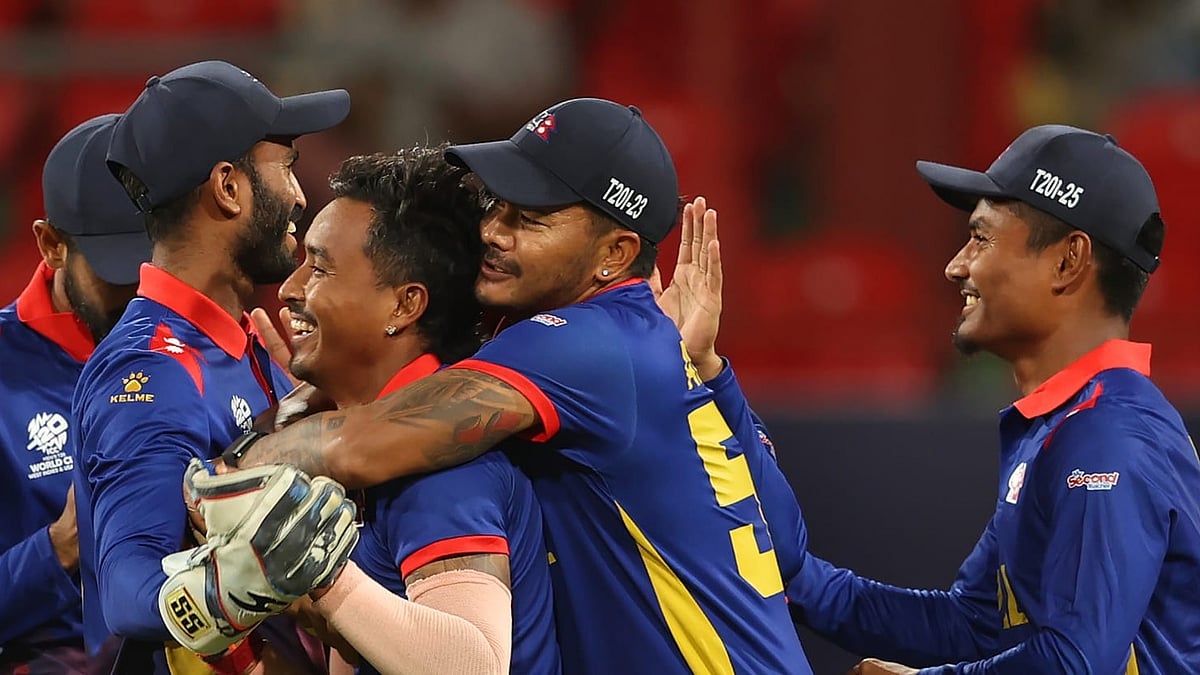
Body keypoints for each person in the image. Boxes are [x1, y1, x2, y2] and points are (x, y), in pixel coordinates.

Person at [227, 97, 815, 674]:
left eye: (531, 218)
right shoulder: (625, 341)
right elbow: (787, 551)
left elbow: (359, 444)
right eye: (497, 204)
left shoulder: (580, 345)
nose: (493, 232)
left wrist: (229, 477)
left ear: (614, 253)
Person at [786, 125, 1200, 674]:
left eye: (981, 238)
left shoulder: (1106, 438)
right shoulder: (1067, 426)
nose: (956, 266)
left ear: (1066, 262)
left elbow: (1077, 662)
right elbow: (970, 626)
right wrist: (787, 577)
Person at [71, 60, 352, 673]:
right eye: (286, 168)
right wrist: (226, 589)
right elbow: (128, 593)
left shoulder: (239, 344)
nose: (302, 196)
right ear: (229, 187)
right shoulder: (151, 373)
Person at [251, 146, 556, 674]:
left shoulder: (439, 466)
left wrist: (306, 563)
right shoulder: (367, 447)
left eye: (319, 269)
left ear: (404, 305)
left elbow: (473, 664)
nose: (290, 288)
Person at [0, 113, 150, 674]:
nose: (142, 292)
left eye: (152, 262)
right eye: (117, 272)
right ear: (51, 245)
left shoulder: (192, 350)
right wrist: (60, 547)